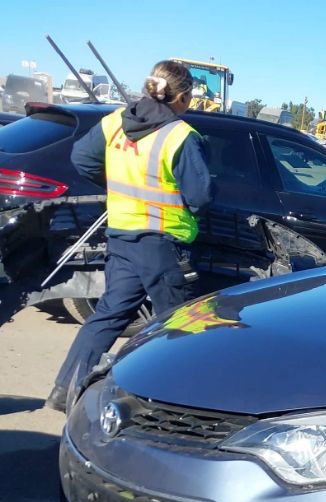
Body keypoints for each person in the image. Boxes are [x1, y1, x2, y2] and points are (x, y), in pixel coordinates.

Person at [46, 60, 214, 412]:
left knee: (109, 314)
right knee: (177, 325)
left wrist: (119, 190)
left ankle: (67, 387)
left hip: (122, 235)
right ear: (181, 97)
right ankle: (174, 402)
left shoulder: (114, 122)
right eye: (191, 98)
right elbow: (200, 196)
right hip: (163, 240)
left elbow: (82, 159)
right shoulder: (179, 135)